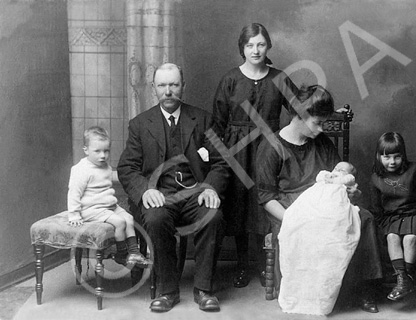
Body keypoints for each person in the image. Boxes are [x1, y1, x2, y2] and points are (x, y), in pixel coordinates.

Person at [256, 85, 383, 314]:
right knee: (315, 227)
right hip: (289, 207)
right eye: (318, 122)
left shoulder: (322, 142)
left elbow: (337, 178)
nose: (322, 128)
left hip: (324, 203)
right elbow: (266, 198)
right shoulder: (271, 146)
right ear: (300, 115)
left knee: (363, 217)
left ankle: (365, 288)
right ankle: (314, 293)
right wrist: (292, 218)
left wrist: (352, 194)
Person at [117, 63, 230, 313]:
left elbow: (222, 162)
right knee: (156, 220)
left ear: (183, 87)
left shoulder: (203, 120)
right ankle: (167, 291)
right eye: (162, 85)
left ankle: (203, 290)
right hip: (160, 197)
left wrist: (210, 188)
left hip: (195, 195)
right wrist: (145, 190)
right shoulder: (140, 124)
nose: (168, 91)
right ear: (154, 89)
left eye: (174, 85)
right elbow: (126, 168)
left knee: (214, 215)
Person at [211, 22, 298, 288]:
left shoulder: (279, 78)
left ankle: (264, 264)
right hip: (236, 152)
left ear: (268, 46)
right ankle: (242, 264)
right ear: (242, 48)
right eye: (250, 45)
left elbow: (299, 109)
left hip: (268, 150)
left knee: (264, 202)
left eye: (260, 44)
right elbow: (218, 122)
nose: (255, 50)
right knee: (239, 204)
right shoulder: (230, 79)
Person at [277, 160, 361, 315]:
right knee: (299, 220)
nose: (337, 170)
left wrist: (341, 179)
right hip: (313, 200)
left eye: (342, 169)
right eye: (336, 167)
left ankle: (321, 300)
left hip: (334, 202)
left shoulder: (346, 180)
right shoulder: (326, 175)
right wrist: (327, 177)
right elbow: (319, 177)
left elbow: (348, 181)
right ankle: (299, 297)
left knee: (331, 226)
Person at [369, 132, 416, 301]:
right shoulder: (376, 177)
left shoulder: (413, 169)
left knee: (410, 239)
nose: (392, 162)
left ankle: (405, 279)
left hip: (414, 213)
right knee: (392, 238)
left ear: (403, 156)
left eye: (397, 157)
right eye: (387, 157)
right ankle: (403, 279)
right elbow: (375, 206)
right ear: (379, 156)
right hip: (392, 217)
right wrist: (381, 224)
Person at [67, 126, 151, 268]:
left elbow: (106, 182)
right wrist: (74, 214)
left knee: (129, 218)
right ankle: (121, 254)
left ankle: (134, 253)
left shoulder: (105, 166)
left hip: (108, 206)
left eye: (106, 151)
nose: (102, 155)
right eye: (97, 151)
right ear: (86, 150)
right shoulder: (81, 170)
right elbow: (74, 192)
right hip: (91, 209)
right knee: (119, 222)